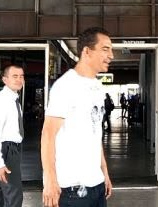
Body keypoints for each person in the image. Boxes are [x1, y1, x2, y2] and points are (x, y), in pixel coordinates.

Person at [41, 27, 114, 207]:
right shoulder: (66, 86)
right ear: (87, 51)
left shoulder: (97, 87)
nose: (111, 55)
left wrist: (104, 172)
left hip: (96, 185)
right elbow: (47, 135)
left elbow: (95, 133)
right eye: (105, 49)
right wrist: (50, 181)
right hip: (71, 189)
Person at [0, 64, 26, 207]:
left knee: (0, 196)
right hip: (6, 151)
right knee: (14, 196)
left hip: (11, 150)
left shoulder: (14, 101)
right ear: (4, 79)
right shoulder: (0, 101)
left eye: (21, 76)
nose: (19, 79)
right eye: (15, 76)